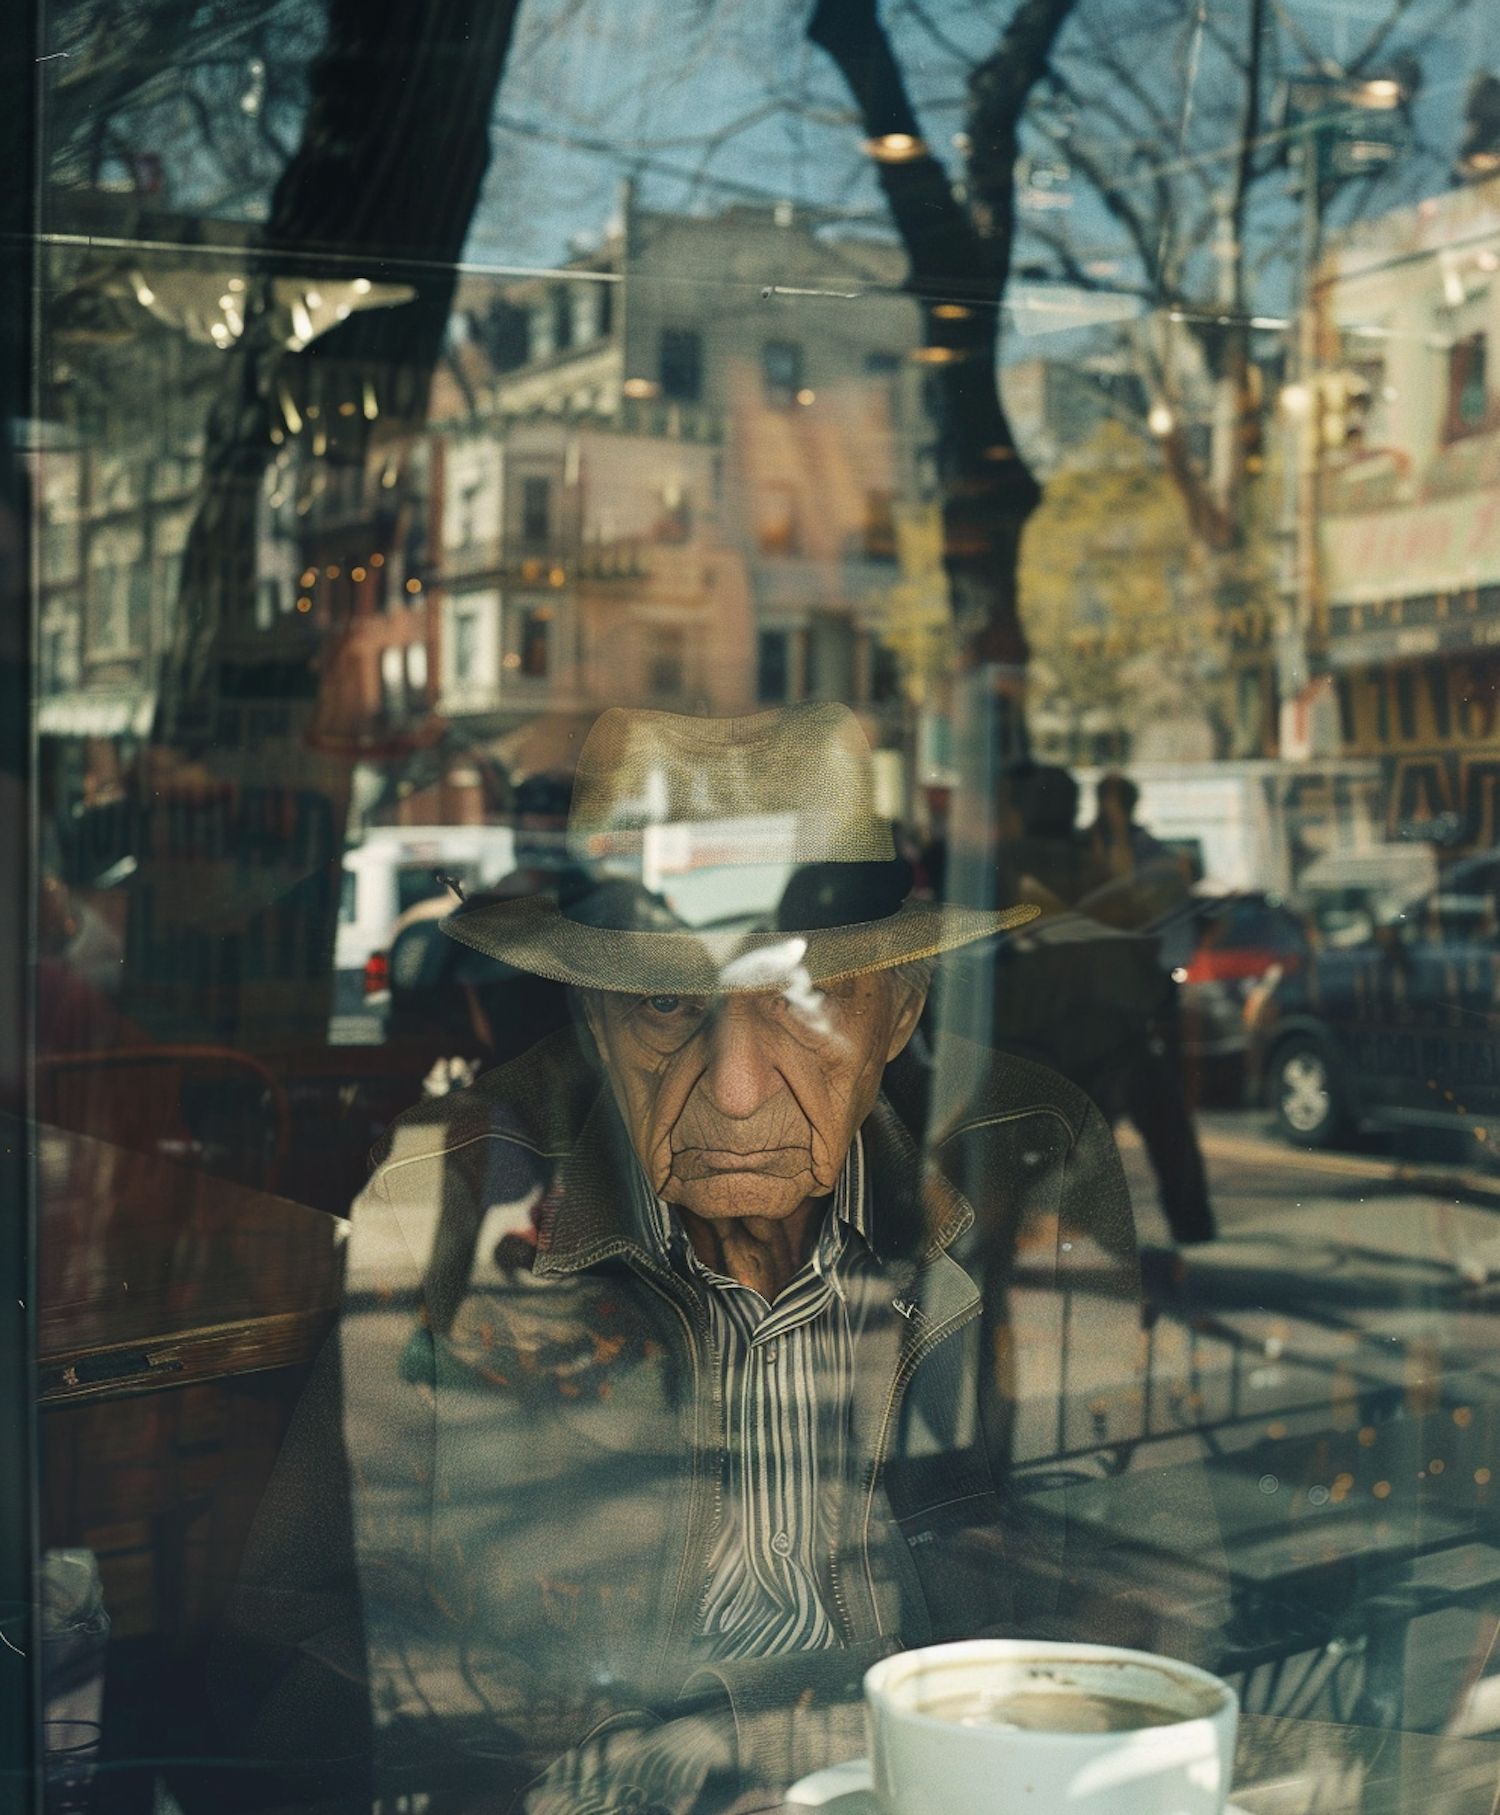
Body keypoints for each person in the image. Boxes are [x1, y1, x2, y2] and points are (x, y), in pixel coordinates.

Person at [214, 706, 1221, 1815]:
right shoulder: (444, 1203)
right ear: (592, 1017)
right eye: (663, 1002)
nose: (737, 1089)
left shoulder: (1029, 1163)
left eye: (802, 1000)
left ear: (899, 1013)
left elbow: (1151, 1588)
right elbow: (303, 1637)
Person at [1088, 773, 1215, 1247]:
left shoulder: (1147, 863)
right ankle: (1186, 1221)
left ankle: (1187, 1221)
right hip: (1118, 1006)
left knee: (1150, 1119)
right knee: (1152, 1121)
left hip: (1127, 1007)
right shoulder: (1128, 859)